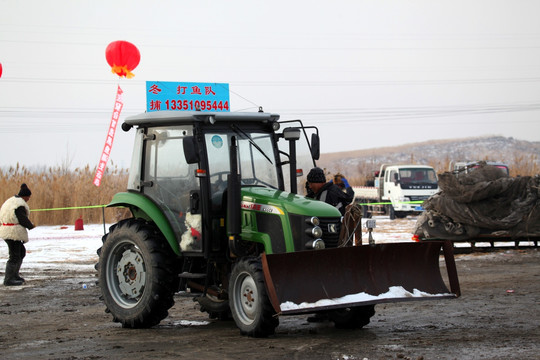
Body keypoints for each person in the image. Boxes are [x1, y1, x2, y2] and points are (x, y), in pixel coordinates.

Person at [1, 183, 35, 286]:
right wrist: (30, 225)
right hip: (12, 233)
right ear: (25, 196)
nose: (29, 199)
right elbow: (22, 218)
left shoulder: (12, 201)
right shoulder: (19, 204)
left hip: (8, 231)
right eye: (28, 197)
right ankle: (9, 279)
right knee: (15, 256)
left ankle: (14, 275)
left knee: (21, 252)